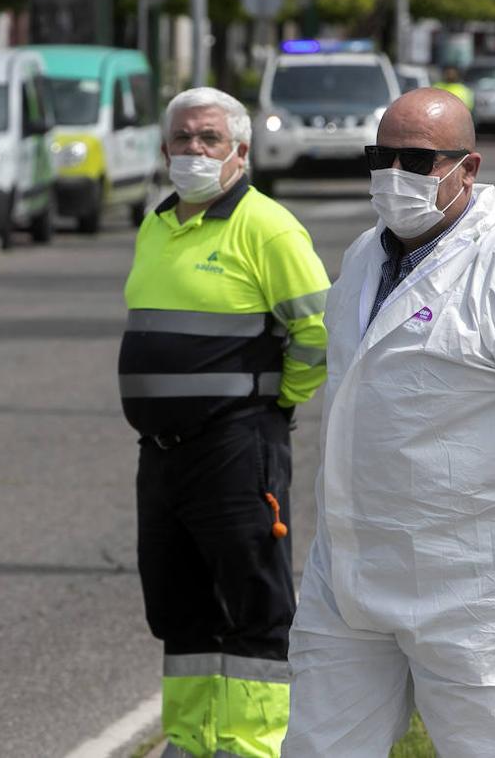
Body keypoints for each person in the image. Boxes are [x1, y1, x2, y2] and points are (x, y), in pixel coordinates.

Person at [283, 87, 495, 757]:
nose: (392, 176)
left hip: (476, 588)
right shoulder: (362, 260)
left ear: (467, 169)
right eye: (379, 156)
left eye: (416, 160)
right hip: (350, 576)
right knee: (318, 747)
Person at [120, 87, 331, 757]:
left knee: (254, 604)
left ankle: (252, 745)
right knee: (178, 606)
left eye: (209, 138)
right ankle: (190, 739)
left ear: (240, 151)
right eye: (181, 137)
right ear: (163, 148)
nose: (193, 149)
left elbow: (318, 329)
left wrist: (277, 401)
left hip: (238, 446)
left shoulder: (267, 227)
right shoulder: (156, 225)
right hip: (162, 453)